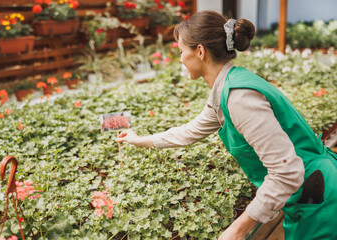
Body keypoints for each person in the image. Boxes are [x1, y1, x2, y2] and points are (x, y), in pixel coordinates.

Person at [116, 10, 337, 240]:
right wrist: (137, 139)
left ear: (199, 51)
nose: (180, 59)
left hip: (318, 199)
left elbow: (287, 172)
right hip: (305, 198)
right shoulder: (227, 88)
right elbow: (188, 133)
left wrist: (237, 230)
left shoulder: (239, 98)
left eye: (181, 51)